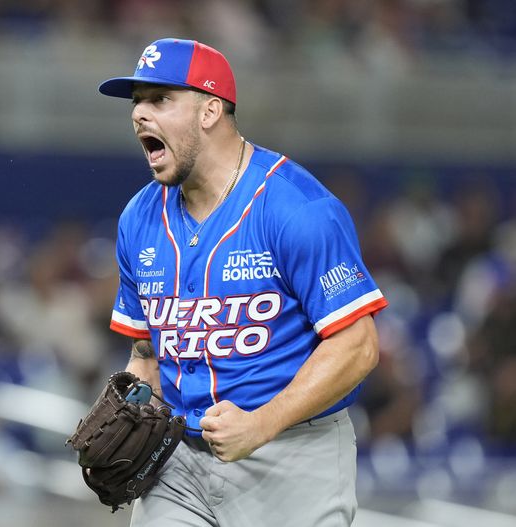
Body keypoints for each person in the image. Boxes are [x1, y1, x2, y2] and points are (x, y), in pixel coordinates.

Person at [99, 38, 388, 526]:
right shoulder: (139, 218)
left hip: (292, 454)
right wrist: (133, 403)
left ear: (210, 110)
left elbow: (358, 346)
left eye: (160, 99)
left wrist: (261, 423)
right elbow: (147, 350)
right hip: (178, 464)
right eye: (137, 102)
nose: (140, 115)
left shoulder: (297, 208)